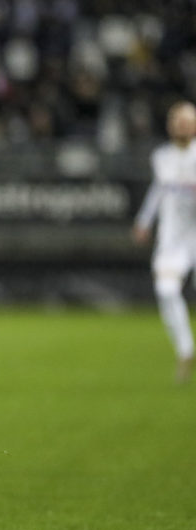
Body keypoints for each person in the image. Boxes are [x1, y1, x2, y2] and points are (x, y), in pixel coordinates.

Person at [132, 101, 196, 384]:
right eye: (176, 120)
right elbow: (158, 190)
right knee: (167, 290)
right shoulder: (161, 157)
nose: (181, 125)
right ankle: (186, 350)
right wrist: (144, 221)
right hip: (172, 239)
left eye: (186, 120)